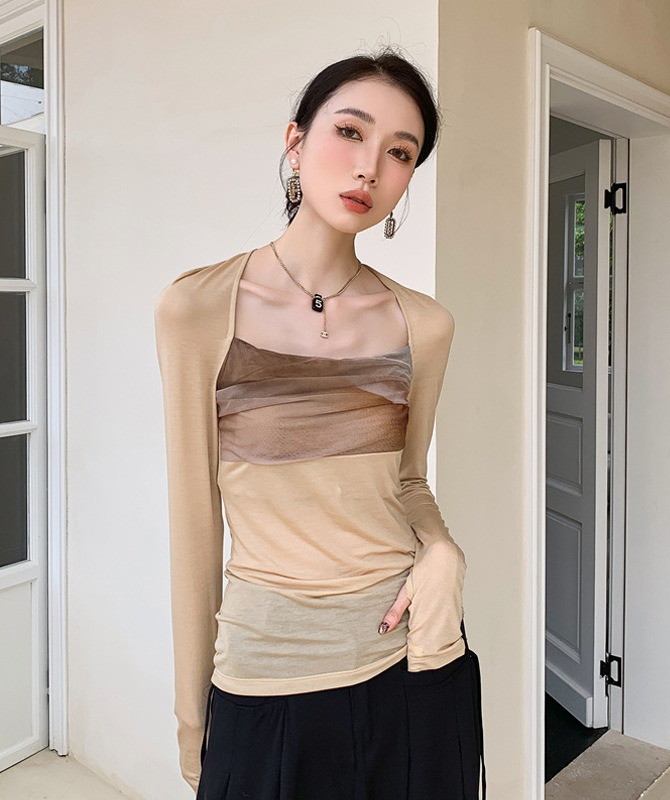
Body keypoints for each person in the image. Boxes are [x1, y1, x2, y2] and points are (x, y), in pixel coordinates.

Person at [154, 45, 486, 800]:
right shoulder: (198, 309)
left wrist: (442, 550)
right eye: (350, 132)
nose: (370, 167)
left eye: (400, 152)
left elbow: (407, 481)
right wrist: (192, 719)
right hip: (267, 679)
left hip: (414, 660)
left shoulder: (424, 325)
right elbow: (195, 524)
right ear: (296, 142)